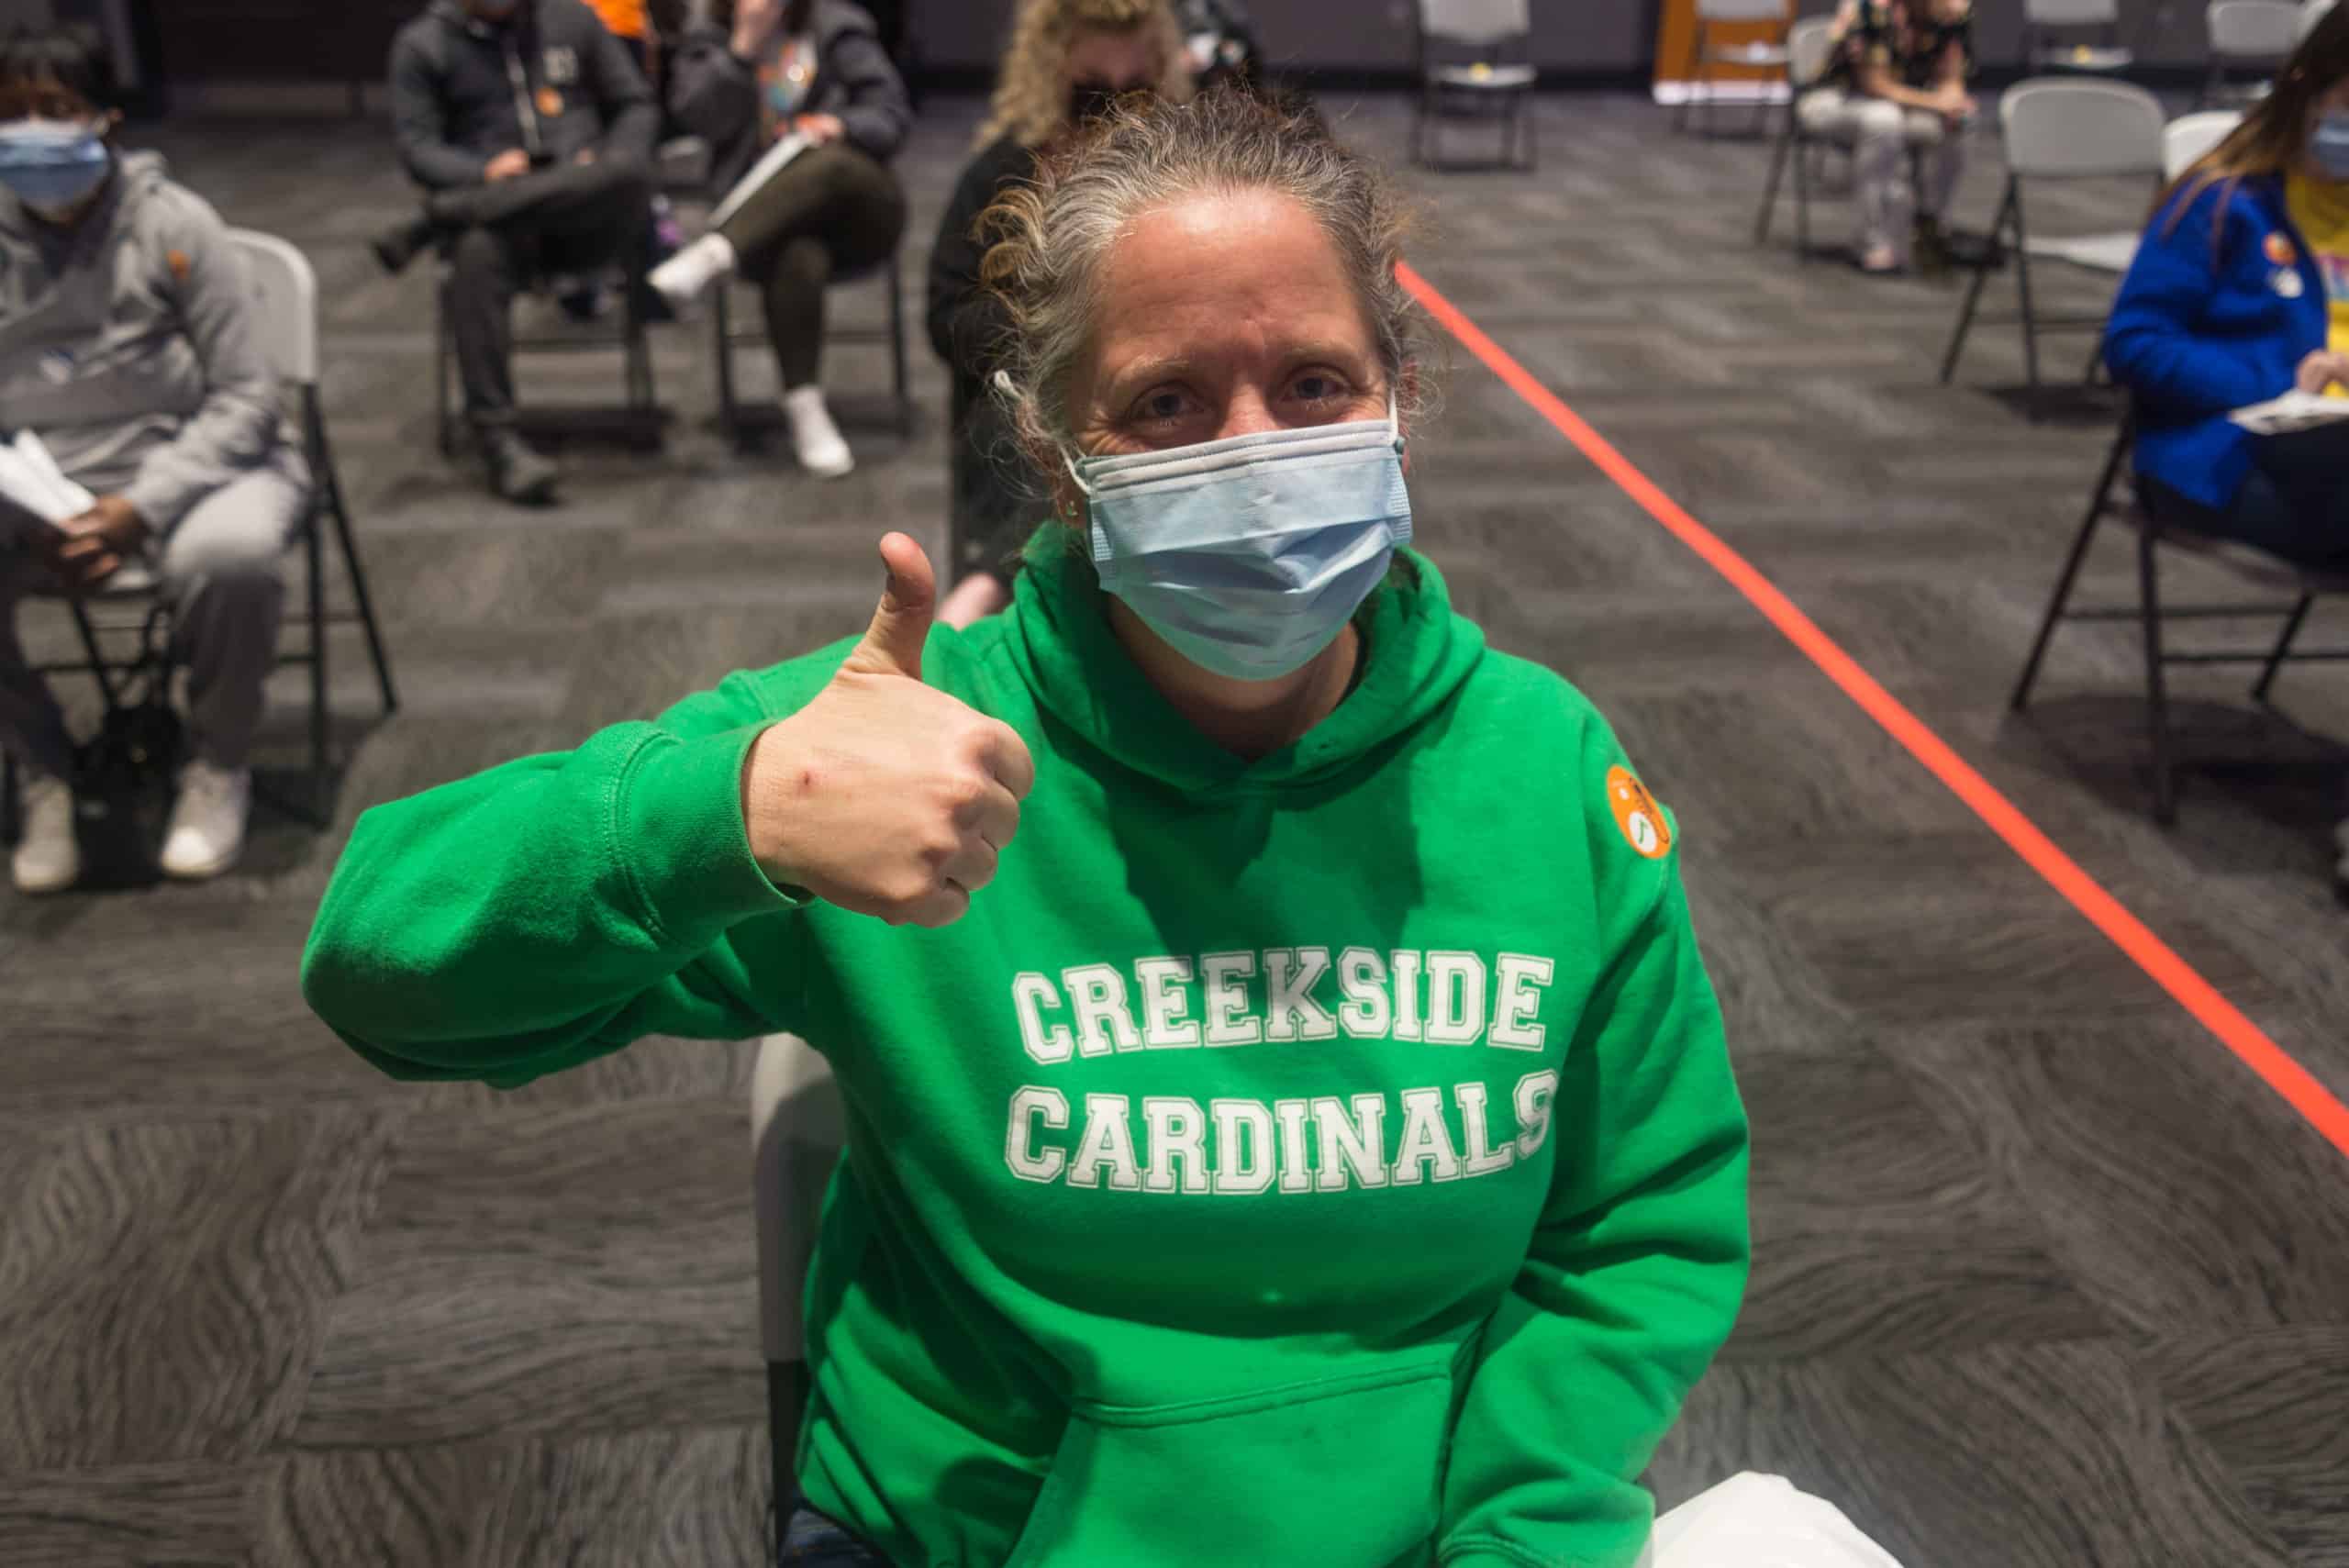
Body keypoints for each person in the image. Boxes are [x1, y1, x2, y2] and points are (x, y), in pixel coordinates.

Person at [304, 90, 1750, 1567]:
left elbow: (1637, 1224)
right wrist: (728, 816)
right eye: (1168, 403)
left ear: (1399, 393)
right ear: (1062, 451)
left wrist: (1521, 1533)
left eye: (1313, 384)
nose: (1252, 458)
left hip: (1438, 1535)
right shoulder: (897, 744)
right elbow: (374, 962)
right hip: (974, 1538)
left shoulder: (1548, 767)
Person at [0, 29, 306, 895]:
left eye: (54, 112)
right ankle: (41, 769)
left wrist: (139, 506)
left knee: (232, 556)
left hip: (197, 469)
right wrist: (42, 508)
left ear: (105, 120)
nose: (29, 132)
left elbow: (249, 398)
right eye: (9, 112)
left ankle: (217, 765)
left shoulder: (178, 225)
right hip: (36, 482)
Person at [2104, 5, 2349, 903]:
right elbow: (2132, 345)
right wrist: (2282, 369)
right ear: (2310, 86)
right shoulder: (2221, 200)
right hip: (2231, 449)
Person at [927, 0, 1194, 629]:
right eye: (1092, 98)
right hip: (1027, 392)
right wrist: (1055, 338)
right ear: (1052, 78)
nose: (1114, 122)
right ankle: (995, 581)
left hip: (1160, 395)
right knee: (1029, 416)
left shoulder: (1184, 173)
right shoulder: (1000, 175)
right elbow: (947, 316)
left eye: (1137, 96)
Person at [380, 0, 661, 506]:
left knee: (629, 174)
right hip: (505, 230)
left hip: (586, 217)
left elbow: (634, 105)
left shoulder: (573, 19)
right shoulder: (423, 45)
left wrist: (611, 154)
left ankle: (437, 218)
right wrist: (480, 174)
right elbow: (419, 149)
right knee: (475, 251)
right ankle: (499, 441)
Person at [653, 0, 912, 479]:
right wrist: (742, 47)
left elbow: (893, 117)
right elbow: (694, 119)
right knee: (799, 255)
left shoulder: (837, 25)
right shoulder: (708, 36)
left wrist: (841, 125)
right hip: (765, 226)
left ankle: (713, 253)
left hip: (858, 209)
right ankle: (805, 408)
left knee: (825, 156)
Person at [1799, 0, 1974, 274]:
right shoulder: (1872, 9)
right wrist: (1937, 103)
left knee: (1957, 124)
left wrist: (1954, 99)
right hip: (1835, 98)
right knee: (1884, 120)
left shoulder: (1950, 13)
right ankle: (1871, 240)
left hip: (1904, 101)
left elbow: (1950, 74)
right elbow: (1874, 84)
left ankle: (1932, 226)